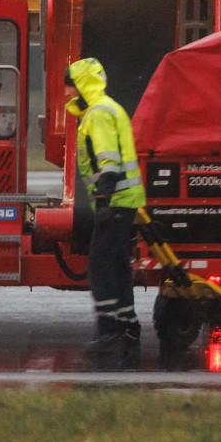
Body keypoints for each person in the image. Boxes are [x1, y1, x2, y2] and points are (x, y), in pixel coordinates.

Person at [67, 57, 147, 360]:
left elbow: (108, 160)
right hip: (125, 201)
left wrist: (102, 199)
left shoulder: (98, 114)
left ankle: (110, 331)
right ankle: (127, 327)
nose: (68, 93)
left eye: (71, 86)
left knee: (100, 267)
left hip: (113, 201)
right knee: (117, 265)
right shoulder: (110, 107)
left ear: (82, 84)